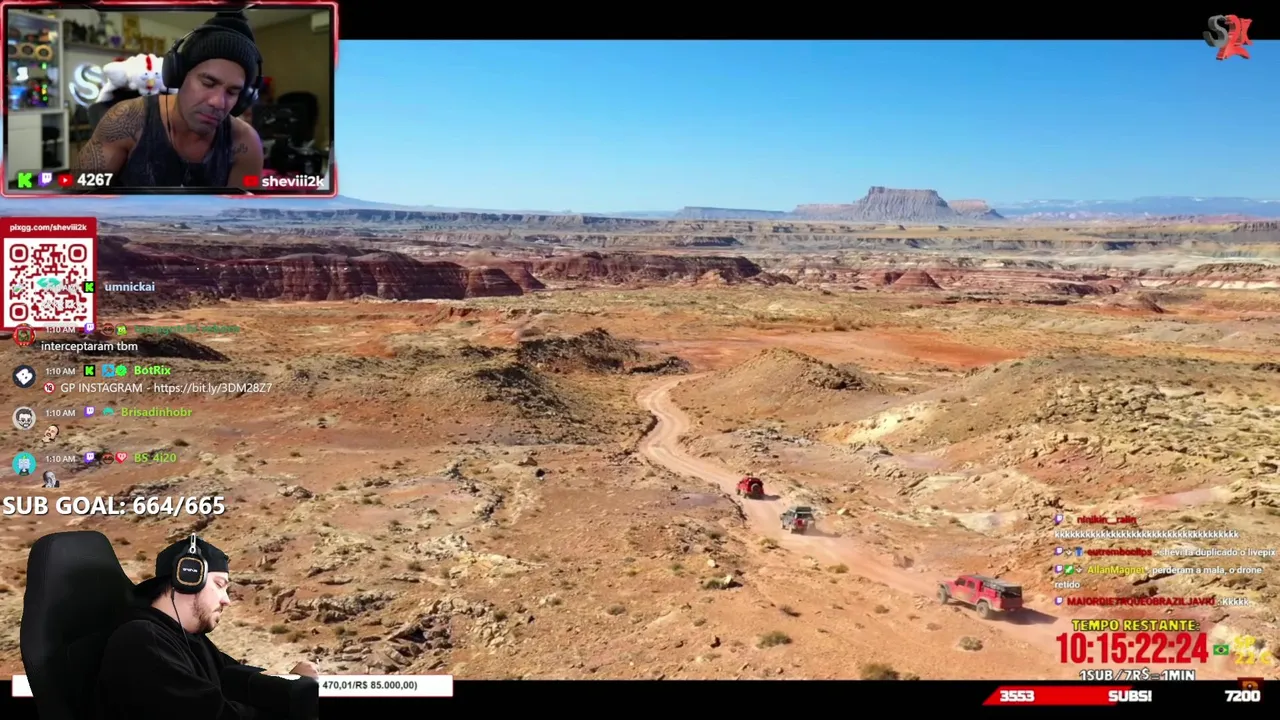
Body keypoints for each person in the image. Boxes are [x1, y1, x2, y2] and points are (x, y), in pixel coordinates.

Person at [95, 535, 318, 719]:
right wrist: (298, 703)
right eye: (219, 585)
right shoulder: (142, 642)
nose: (226, 600)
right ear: (188, 578)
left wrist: (289, 683)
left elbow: (233, 678)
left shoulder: (188, 638)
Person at [76, 11, 264, 189]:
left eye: (232, 92)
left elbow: (240, 211)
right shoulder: (125, 120)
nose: (218, 102)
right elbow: (80, 200)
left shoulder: (245, 143)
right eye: (208, 83)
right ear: (178, 76)